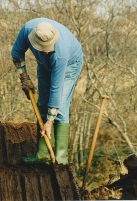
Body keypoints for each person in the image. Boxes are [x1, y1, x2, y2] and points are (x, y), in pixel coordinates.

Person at [11, 18, 83, 165]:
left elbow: (56, 90)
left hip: (70, 65)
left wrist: (49, 122)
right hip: (43, 64)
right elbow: (16, 54)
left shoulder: (60, 54)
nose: (45, 50)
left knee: (60, 108)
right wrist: (24, 78)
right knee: (43, 104)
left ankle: (61, 159)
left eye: (47, 47)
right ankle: (43, 154)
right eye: (41, 47)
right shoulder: (26, 31)